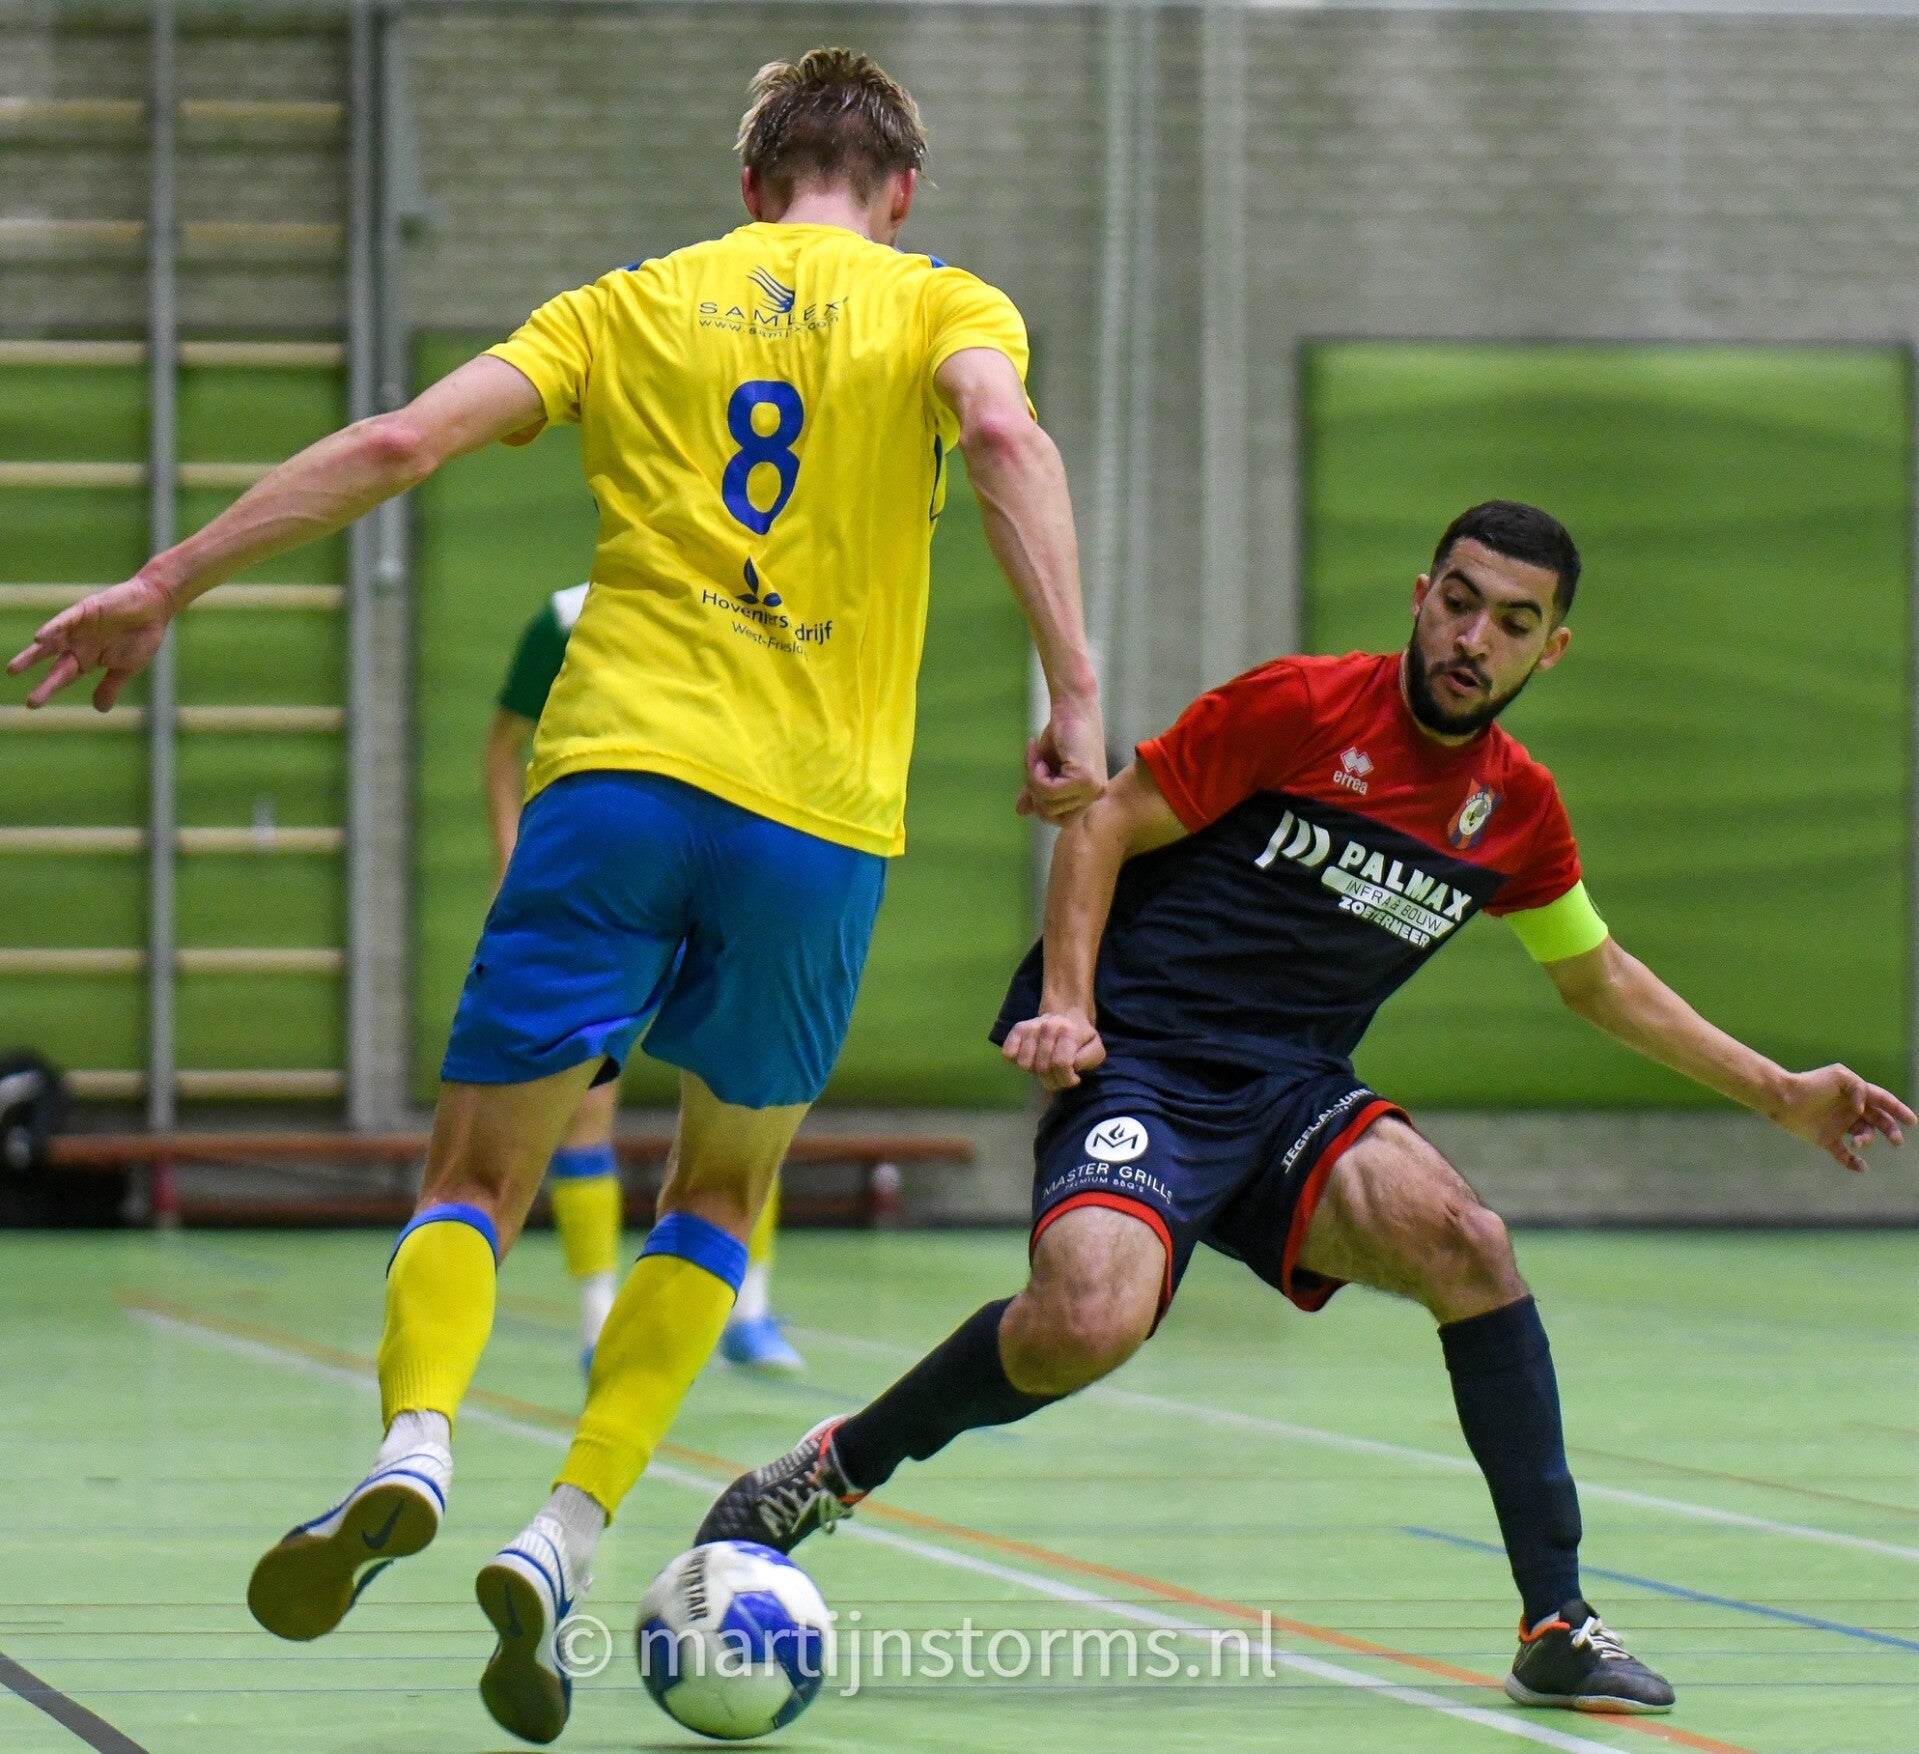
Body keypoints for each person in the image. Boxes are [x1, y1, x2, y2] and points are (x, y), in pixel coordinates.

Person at [9, 48, 1104, 1744]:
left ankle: (413, 1441)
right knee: (717, 1196)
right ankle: (567, 1529)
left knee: (474, 1173)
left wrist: (167, 578)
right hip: (816, 828)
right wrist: (1075, 689)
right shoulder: (941, 301)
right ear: (899, 192)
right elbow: (1001, 431)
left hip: (613, 791)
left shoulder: (628, 302)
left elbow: (397, 439)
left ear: (746, 185)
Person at [696, 499, 1912, 1720]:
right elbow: (1104, 821)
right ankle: (835, 1465)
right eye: (1457, 602)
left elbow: (1595, 976)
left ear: (1548, 650)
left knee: (1469, 1244)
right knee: (1084, 1319)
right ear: (1418, 597)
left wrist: (1779, 1092)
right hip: (1143, 1060)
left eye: (1510, 621)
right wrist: (1066, 1004)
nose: (1472, 638)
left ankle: (1555, 1619)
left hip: (1291, 1090)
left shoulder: (1515, 808)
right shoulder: (1300, 706)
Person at [489, 584, 803, 1373]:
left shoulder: (750, 609)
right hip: (605, 889)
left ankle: (747, 1309)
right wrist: (514, 857)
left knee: (742, 1095)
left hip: (728, 878)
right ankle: (598, 1318)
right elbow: (503, 746)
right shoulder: (566, 618)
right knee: (585, 1101)